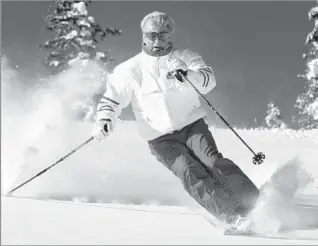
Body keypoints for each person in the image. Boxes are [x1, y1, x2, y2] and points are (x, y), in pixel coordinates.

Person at [92, 11, 259, 224]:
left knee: (212, 161)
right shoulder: (129, 70)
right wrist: (105, 119)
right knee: (189, 171)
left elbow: (209, 82)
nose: (157, 40)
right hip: (160, 138)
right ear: (143, 35)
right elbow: (112, 99)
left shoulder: (186, 58)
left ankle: (255, 203)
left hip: (192, 126)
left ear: (170, 35)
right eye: (152, 34)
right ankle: (232, 214)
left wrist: (188, 74)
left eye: (163, 34)